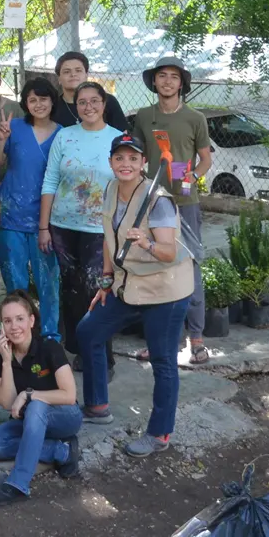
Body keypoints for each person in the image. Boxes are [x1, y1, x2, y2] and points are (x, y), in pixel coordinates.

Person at [76, 134, 194, 455]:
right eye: (119, 158)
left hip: (165, 290)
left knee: (162, 359)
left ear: (144, 163)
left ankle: (159, 434)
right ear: (111, 162)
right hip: (127, 286)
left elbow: (169, 252)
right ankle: (98, 406)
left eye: (133, 158)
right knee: (88, 332)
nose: (125, 164)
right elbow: (108, 238)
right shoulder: (112, 189)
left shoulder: (159, 200)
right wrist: (105, 280)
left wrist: (146, 242)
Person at [133, 56, 213, 365]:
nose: (167, 81)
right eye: (162, 76)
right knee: (157, 266)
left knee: (190, 267)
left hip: (185, 202)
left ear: (182, 83)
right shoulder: (143, 116)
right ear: (154, 81)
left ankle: (197, 341)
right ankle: (161, 342)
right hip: (154, 202)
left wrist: (192, 176)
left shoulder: (195, 118)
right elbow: (137, 156)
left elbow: (205, 159)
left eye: (173, 77)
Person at [40, 82, 121, 372]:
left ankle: (102, 355)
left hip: (100, 229)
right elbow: (50, 180)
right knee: (72, 290)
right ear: (76, 106)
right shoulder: (65, 136)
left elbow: (127, 182)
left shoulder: (117, 138)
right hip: (62, 226)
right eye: (82, 102)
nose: (88, 107)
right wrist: (43, 227)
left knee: (97, 289)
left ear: (104, 104)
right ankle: (79, 349)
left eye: (94, 101)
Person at [0, 292, 82, 506]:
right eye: (7, 321)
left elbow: (69, 395)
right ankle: (61, 451)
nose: (14, 326)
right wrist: (7, 362)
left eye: (20, 319)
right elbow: (7, 403)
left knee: (36, 406)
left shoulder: (49, 347)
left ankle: (18, 483)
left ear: (31, 320)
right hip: (28, 421)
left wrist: (29, 395)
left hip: (64, 416)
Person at [0, 77, 63, 342]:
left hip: (47, 221)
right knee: (16, 284)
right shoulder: (15, 127)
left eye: (43, 99)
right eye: (32, 99)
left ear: (52, 101)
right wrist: (1, 139)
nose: (38, 104)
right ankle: (20, 338)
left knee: (48, 284)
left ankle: (50, 338)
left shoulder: (63, 133)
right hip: (11, 218)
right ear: (25, 103)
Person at [51, 51, 130, 131]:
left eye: (78, 70)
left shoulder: (107, 101)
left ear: (86, 75)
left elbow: (122, 136)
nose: (73, 74)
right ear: (59, 78)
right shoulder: (52, 106)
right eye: (67, 72)